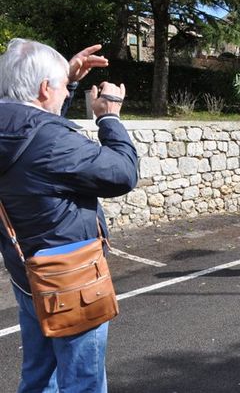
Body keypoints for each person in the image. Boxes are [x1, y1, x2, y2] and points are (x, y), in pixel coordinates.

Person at [0, 39, 138, 392]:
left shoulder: (12, 129)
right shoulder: (51, 142)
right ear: (45, 88)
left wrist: (70, 80)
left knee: (40, 375)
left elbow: (34, 135)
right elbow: (122, 172)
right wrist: (108, 116)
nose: (65, 94)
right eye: (60, 88)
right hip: (71, 281)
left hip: (28, 274)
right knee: (83, 381)